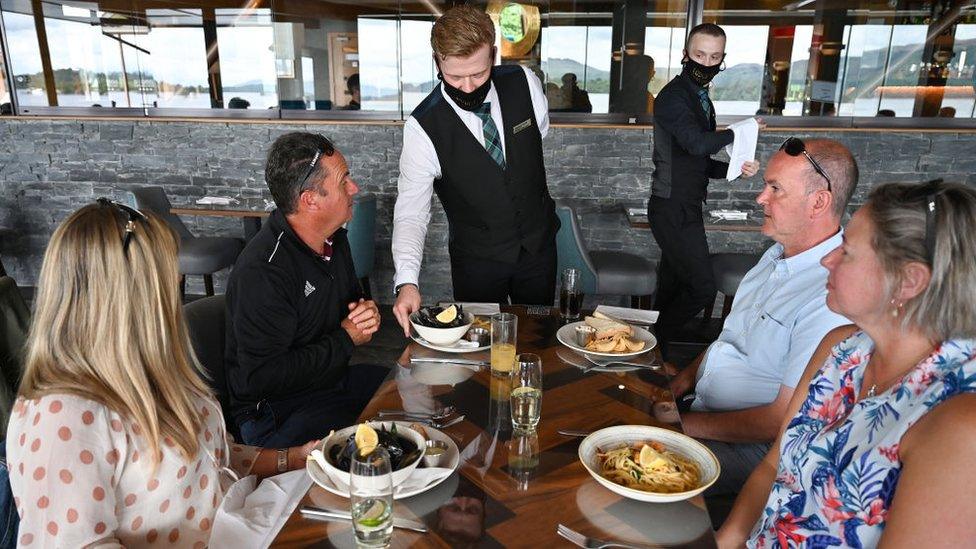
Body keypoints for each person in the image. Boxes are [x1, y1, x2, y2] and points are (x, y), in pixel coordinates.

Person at [6, 200, 316, 546]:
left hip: (245, 526)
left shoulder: (150, 371)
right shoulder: (61, 416)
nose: (179, 278)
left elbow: (211, 461)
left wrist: (293, 458)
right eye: (169, 268)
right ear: (128, 295)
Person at [717, 180, 976, 547]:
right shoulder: (841, 348)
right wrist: (723, 542)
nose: (827, 259)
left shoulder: (959, 422)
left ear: (908, 281)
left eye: (847, 251)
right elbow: (774, 467)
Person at [669, 138, 859, 494]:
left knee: (620, 458)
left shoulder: (830, 295)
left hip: (756, 449)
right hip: (702, 410)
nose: (761, 198)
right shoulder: (773, 257)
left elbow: (779, 422)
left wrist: (676, 423)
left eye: (775, 189)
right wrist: (677, 384)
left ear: (818, 202)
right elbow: (729, 341)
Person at [391, 5, 558, 336]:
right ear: (437, 61)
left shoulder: (525, 83)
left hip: (538, 250)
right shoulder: (423, 127)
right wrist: (406, 281)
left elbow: (536, 137)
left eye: (478, 74)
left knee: (539, 340)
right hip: (477, 263)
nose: (467, 87)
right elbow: (411, 213)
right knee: (481, 351)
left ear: (494, 56)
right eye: (454, 76)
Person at [225, 132, 385, 447]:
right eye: (344, 181)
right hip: (275, 414)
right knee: (382, 447)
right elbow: (262, 376)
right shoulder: (265, 270)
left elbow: (350, 308)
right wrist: (347, 337)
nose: (354, 188)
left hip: (327, 384)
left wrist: (366, 313)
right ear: (310, 199)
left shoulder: (334, 239)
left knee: (410, 392)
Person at [648, 23, 761, 357]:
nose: (706, 62)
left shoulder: (700, 99)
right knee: (701, 288)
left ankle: (654, 359)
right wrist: (740, 131)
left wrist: (735, 170)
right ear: (685, 54)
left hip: (685, 207)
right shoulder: (672, 97)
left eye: (714, 57)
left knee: (672, 287)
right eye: (699, 55)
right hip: (672, 209)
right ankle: (652, 346)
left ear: (722, 60)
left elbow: (700, 161)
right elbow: (697, 143)